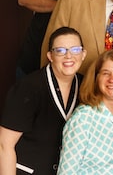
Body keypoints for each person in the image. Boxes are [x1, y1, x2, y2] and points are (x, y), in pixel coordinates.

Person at [0, 27, 86, 174]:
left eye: (75, 50)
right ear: (50, 56)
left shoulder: (85, 85)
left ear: (83, 54)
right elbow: (4, 144)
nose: (69, 56)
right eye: (60, 50)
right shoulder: (28, 87)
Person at [57, 50, 113, 174]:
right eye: (106, 73)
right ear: (96, 78)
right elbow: (67, 172)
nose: (112, 79)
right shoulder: (83, 119)